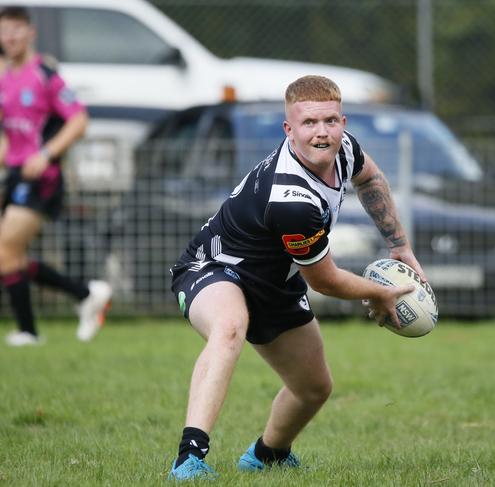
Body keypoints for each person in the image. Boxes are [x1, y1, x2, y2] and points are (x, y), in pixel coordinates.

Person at [167, 75, 426, 481]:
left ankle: (266, 455)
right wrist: (382, 293)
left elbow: (371, 180)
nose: (321, 133)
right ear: (289, 129)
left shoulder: (346, 149)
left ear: (343, 121)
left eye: (330, 121)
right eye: (309, 123)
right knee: (230, 327)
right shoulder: (290, 198)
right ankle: (189, 458)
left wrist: (400, 246)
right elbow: (325, 280)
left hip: (275, 282)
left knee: (313, 388)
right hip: (214, 268)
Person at [0, 6, 112, 346]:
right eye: (4, 30)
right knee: (11, 256)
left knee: (5, 250)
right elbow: (8, 135)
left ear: (30, 32)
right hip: (16, 174)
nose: (10, 36)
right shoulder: (4, 77)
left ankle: (32, 329)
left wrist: (46, 154)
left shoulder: (45, 75)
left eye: (17, 29)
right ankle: (83, 294)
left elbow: (79, 120)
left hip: (43, 177)